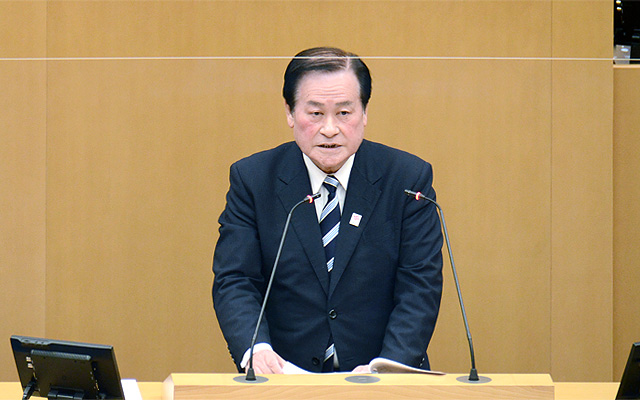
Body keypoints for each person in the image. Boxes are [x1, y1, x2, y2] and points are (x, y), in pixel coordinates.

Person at [212, 47, 443, 374]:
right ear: (290, 113)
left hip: (381, 380)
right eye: (316, 113)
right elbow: (236, 279)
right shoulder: (253, 179)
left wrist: (388, 367)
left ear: (365, 113)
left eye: (344, 113)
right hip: (283, 379)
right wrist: (256, 349)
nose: (330, 129)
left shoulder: (407, 179)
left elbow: (420, 286)